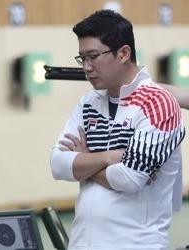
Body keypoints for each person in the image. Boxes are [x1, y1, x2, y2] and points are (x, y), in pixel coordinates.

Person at [50, 10, 186, 250]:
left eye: (93, 56)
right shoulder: (88, 103)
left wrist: (85, 163)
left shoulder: (158, 103)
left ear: (124, 53)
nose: (87, 68)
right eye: (82, 58)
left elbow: (129, 178)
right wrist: (110, 157)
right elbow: (58, 164)